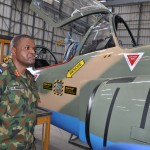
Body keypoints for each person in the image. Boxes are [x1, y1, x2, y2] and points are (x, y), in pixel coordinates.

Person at [0, 34, 40, 149]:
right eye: (27, 48)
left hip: (27, 145)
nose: (33, 52)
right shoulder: (3, 75)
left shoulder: (30, 78)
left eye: (34, 49)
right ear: (14, 51)